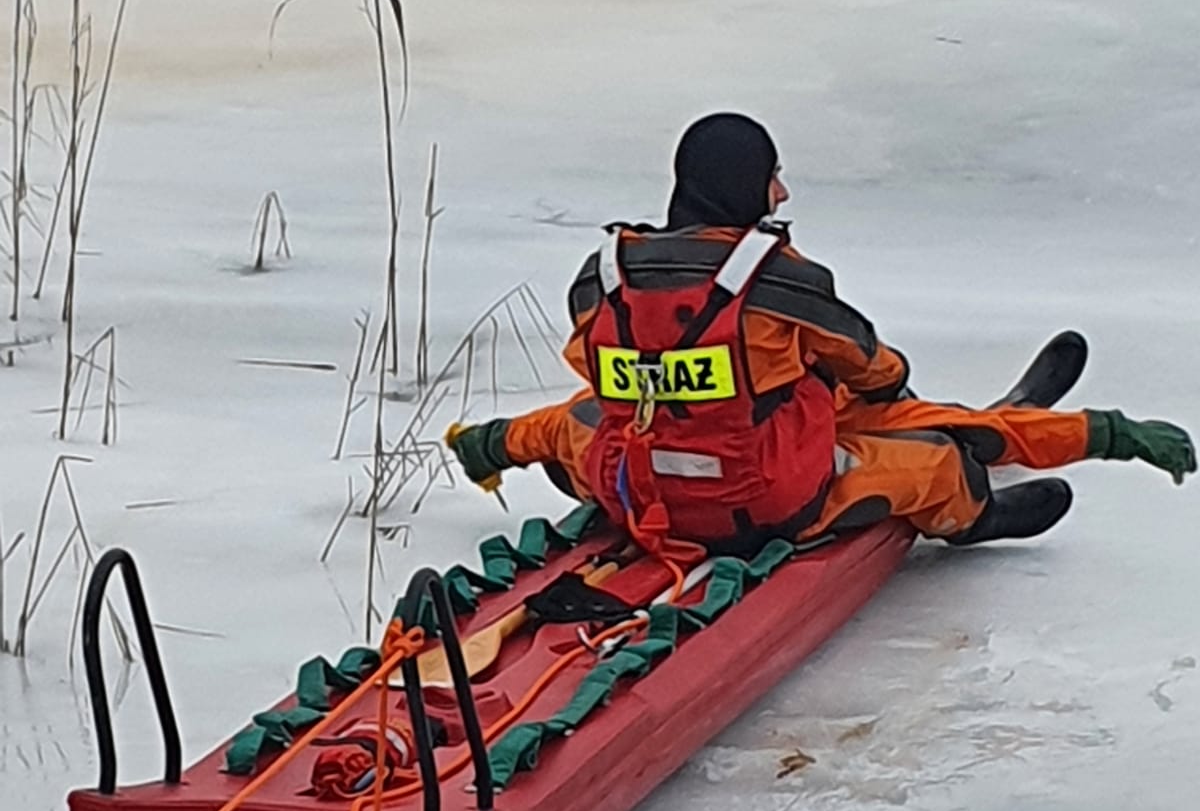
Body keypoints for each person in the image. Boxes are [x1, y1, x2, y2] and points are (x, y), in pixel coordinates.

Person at [449, 113, 1195, 554]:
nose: (780, 193)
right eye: (773, 176)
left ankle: (487, 444)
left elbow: (593, 376)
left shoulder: (602, 279)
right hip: (766, 502)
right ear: (748, 184)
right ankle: (983, 507)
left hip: (636, 493)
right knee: (930, 451)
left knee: (583, 418)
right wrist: (880, 389)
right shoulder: (777, 280)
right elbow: (870, 364)